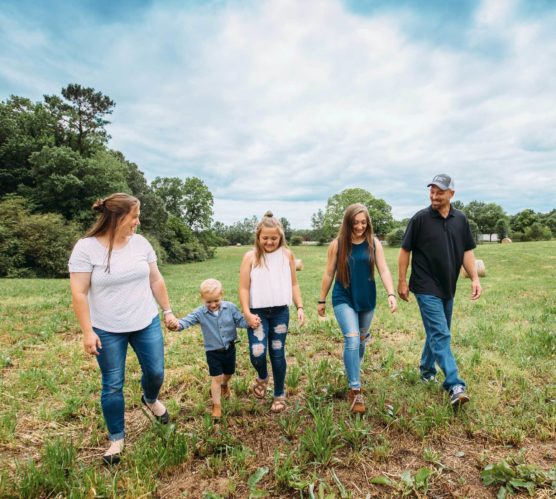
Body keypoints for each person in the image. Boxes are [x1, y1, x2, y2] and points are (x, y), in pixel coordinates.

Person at [69, 193, 177, 465]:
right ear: (117, 218)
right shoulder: (86, 248)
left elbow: (156, 279)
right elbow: (79, 293)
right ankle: (117, 438)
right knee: (112, 384)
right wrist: (87, 331)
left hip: (145, 321)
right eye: (134, 217)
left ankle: (150, 399)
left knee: (155, 371)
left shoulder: (141, 244)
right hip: (106, 328)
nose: (137, 222)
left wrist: (167, 311)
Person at [397, 174, 482, 408]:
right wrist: (402, 281)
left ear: (451, 194)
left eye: (439, 192)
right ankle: (455, 384)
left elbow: (467, 251)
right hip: (424, 286)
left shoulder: (460, 219)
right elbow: (405, 251)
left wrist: (474, 277)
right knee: (441, 334)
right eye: (431, 191)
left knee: (438, 332)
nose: (434, 196)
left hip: (448, 286)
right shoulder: (420, 219)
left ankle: (426, 370)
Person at [317, 203, 397, 414]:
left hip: (367, 298)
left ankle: (353, 367)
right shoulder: (338, 244)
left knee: (361, 340)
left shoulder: (374, 243)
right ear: (348, 222)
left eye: (364, 222)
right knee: (352, 338)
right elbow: (328, 274)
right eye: (356, 222)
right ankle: (355, 389)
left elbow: (384, 270)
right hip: (343, 297)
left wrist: (391, 293)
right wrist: (321, 300)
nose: (360, 226)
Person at [239, 211, 305, 413]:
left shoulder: (287, 255)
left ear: (280, 238)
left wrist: (300, 306)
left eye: (274, 238)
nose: (269, 242)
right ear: (258, 237)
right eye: (265, 238)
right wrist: (246, 313)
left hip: (280, 313)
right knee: (257, 352)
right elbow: (244, 288)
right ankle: (262, 376)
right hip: (257, 313)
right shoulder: (250, 257)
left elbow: (294, 284)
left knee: (277, 352)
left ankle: (279, 394)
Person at [167, 278, 254, 419]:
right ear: (202, 299)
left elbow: (240, 321)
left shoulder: (230, 308)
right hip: (212, 352)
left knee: (229, 373)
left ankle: (225, 385)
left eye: (216, 300)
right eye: (208, 302)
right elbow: (185, 321)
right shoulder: (200, 313)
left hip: (230, 348)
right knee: (216, 378)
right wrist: (176, 325)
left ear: (222, 295)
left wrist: (251, 321)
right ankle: (216, 406)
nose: (213, 305)